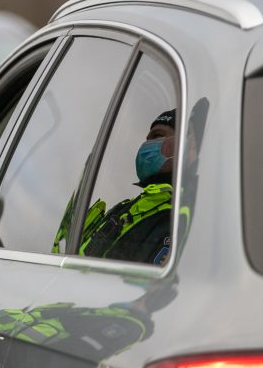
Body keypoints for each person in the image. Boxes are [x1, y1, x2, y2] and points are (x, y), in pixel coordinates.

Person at [53, 109, 177, 265]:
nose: (146, 146)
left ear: (184, 147)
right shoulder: (127, 206)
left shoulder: (175, 220)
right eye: (146, 140)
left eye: (157, 136)